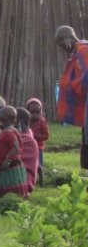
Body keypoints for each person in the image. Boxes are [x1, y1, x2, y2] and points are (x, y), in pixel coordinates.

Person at [55, 25, 88, 170]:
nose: (62, 48)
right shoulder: (78, 52)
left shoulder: (83, 50)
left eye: (62, 44)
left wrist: (77, 87)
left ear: (67, 38)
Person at [26, 97, 49, 181]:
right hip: (28, 146)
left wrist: (37, 136)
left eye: (37, 112)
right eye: (32, 112)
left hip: (38, 147)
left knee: (39, 165)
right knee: (29, 164)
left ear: (41, 111)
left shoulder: (42, 121)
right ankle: (30, 180)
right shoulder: (26, 121)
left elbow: (46, 135)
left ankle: (42, 181)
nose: (35, 114)